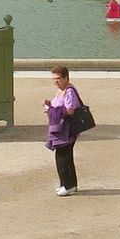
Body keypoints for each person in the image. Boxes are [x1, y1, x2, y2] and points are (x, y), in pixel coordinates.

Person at [45, 64, 85, 196]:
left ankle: (68, 185)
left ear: (66, 78)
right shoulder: (60, 90)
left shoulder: (69, 91)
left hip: (67, 129)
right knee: (65, 157)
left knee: (62, 157)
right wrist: (49, 105)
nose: (56, 81)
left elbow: (69, 110)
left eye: (58, 78)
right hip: (61, 129)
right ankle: (68, 184)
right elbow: (57, 104)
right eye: (54, 79)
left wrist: (54, 110)